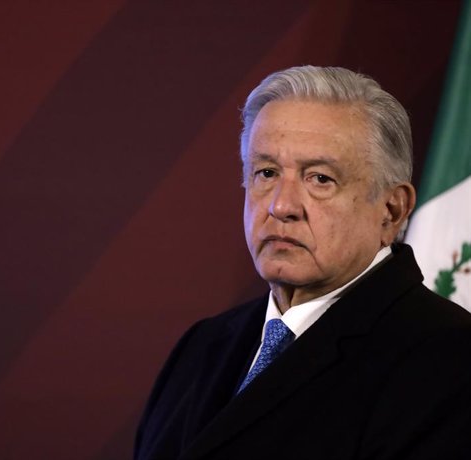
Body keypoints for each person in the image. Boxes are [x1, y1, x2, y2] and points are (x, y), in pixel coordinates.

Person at [134, 66, 471, 460]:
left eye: (320, 179)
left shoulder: (449, 360)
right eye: (266, 173)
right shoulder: (202, 346)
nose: (281, 206)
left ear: (392, 210)